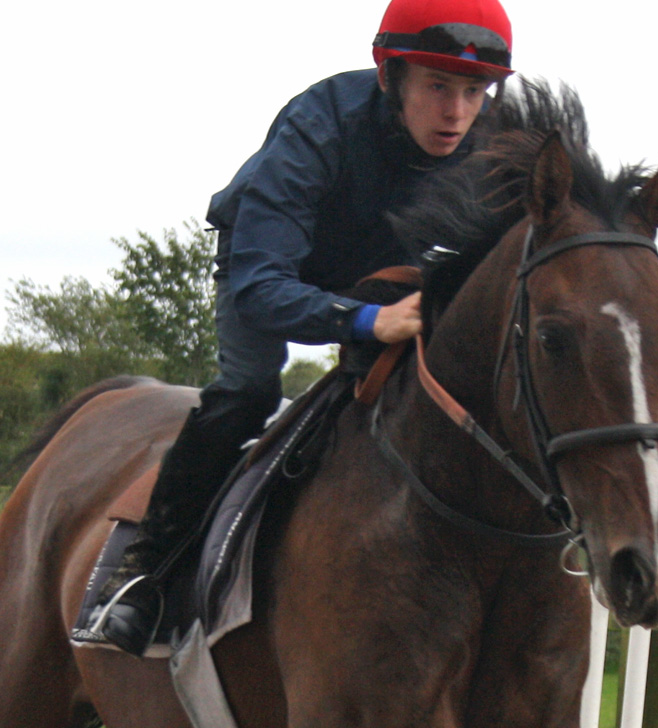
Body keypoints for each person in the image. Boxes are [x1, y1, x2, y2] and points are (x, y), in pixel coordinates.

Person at [77, 0, 516, 655]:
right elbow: (260, 286)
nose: (456, 113)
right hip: (266, 264)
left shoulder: (491, 143)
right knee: (251, 389)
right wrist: (368, 320)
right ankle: (143, 575)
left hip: (385, 276)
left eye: (474, 91)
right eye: (436, 87)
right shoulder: (320, 123)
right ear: (391, 76)